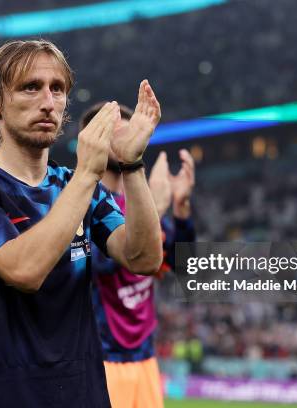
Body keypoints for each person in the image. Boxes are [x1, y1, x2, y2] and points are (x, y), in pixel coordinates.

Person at [0, 40, 163, 407]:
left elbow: (144, 258)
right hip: (7, 395)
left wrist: (132, 165)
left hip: (85, 393)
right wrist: (89, 172)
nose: (48, 102)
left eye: (57, 89)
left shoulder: (75, 185)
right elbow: (22, 270)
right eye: (30, 87)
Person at [80, 103, 196, 407]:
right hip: (102, 358)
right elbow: (102, 263)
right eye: (118, 131)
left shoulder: (141, 205)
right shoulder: (80, 203)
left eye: (133, 132)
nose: (129, 139)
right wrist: (155, 211)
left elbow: (184, 268)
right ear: (93, 138)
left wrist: (182, 210)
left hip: (145, 356)